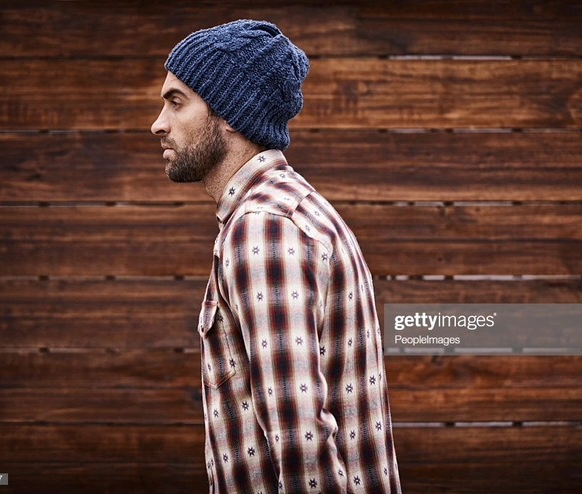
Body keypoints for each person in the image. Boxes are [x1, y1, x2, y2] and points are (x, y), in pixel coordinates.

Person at [151, 19, 401, 493]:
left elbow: (301, 444)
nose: (158, 123)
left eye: (176, 101)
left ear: (229, 113)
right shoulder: (291, 208)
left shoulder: (262, 227)